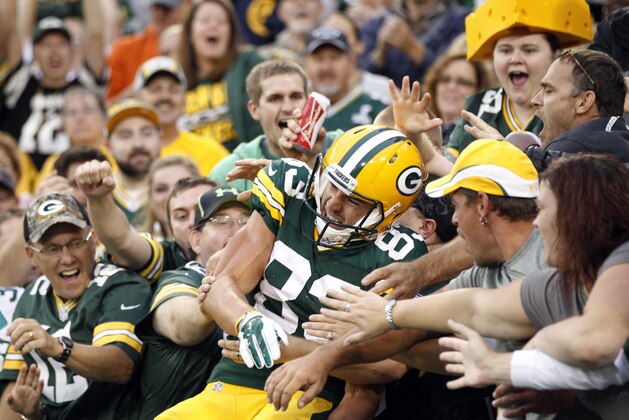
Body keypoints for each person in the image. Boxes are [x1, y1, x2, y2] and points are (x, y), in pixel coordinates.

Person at [279, 153, 629, 418]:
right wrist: (383, 316)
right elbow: (471, 307)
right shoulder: (547, 281)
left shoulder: (622, 259)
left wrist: (512, 359)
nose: (538, 220)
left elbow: (595, 345)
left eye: (545, 208)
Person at [158, 123, 433, 419]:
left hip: (312, 393)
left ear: (389, 212)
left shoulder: (399, 255)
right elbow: (218, 287)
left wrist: (286, 348)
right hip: (234, 380)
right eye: (332, 183)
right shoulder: (291, 188)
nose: (333, 203)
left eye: (353, 199)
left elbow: (386, 367)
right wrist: (248, 322)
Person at [0, 192, 151, 419]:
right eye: (52, 249)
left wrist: (58, 347)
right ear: (31, 255)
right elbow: (15, 392)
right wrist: (32, 413)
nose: (67, 258)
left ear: (93, 240)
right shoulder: (31, 296)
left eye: (75, 243)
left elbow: (121, 367)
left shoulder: (122, 285)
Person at [135, 186, 250, 418]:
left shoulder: (271, 287)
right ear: (196, 240)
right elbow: (181, 327)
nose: (238, 231)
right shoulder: (181, 279)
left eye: (247, 221)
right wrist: (216, 289)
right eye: (221, 221)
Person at [446, 0, 592, 157]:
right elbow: (450, 170)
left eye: (528, 50)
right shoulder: (480, 104)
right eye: (505, 50)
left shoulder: (571, 109)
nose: (515, 59)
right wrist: (425, 141)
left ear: (555, 57)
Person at [75, 153, 216, 283]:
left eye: (183, 184)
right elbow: (122, 241)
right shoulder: (166, 255)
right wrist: (98, 198)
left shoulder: (238, 241)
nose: (192, 222)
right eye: (181, 216)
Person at [210, 59, 341, 190]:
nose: (288, 107)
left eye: (296, 96)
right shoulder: (230, 173)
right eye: (275, 98)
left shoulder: (343, 147)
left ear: (308, 102)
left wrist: (311, 164)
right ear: (254, 109)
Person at [0, 13, 105, 172]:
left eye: (61, 44)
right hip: (20, 181)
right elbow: (11, 24)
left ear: (72, 50)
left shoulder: (85, 87)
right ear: (33, 52)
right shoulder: (20, 83)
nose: (54, 51)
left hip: (73, 175)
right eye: (45, 45)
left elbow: (96, 32)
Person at [176, 0, 265, 151]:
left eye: (222, 22)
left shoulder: (249, 66)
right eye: (205, 21)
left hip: (243, 167)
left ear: (231, 33)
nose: (213, 26)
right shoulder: (175, 79)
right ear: (190, 32)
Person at [525, 49, 629, 171]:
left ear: (584, 102)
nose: (535, 100)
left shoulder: (572, 145)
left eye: (549, 91)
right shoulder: (619, 139)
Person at [134, 56, 230, 175]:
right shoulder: (124, 154)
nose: (165, 96)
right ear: (138, 99)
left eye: (174, 90)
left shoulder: (211, 153)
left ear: (184, 100)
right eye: (155, 89)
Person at [359, 0, 468, 86]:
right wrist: (380, 54)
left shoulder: (465, 23)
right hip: (384, 109)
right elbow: (357, 80)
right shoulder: (377, 24)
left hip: (434, 111)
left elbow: (458, 80)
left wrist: (413, 48)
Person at [304, 27, 387, 131]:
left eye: (334, 57)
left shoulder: (377, 110)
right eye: (318, 59)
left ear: (351, 62)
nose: (326, 67)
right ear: (305, 65)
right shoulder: (295, 109)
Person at [106, 0, 183, 102]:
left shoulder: (194, 46)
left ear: (183, 8)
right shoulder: (124, 49)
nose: (160, 14)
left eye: (166, 9)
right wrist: (144, 84)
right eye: (156, 8)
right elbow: (109, 105)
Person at [105, 98, 163, 227]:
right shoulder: (97, 195)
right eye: (125, 135)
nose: (138, 144)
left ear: (160, 139)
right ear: (108, 146)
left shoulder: (179, 190)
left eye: (147, 133)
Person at [423, 52, 489, 144]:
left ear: (479, 91)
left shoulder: (484, 139)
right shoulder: (420, 134)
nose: (451, 87)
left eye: (462, 82)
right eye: (445, 80)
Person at [143, 155, 201, 241]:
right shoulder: (139, 243)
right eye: (161, 189)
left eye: (181, 186)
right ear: (150, 197)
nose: (171, 195)